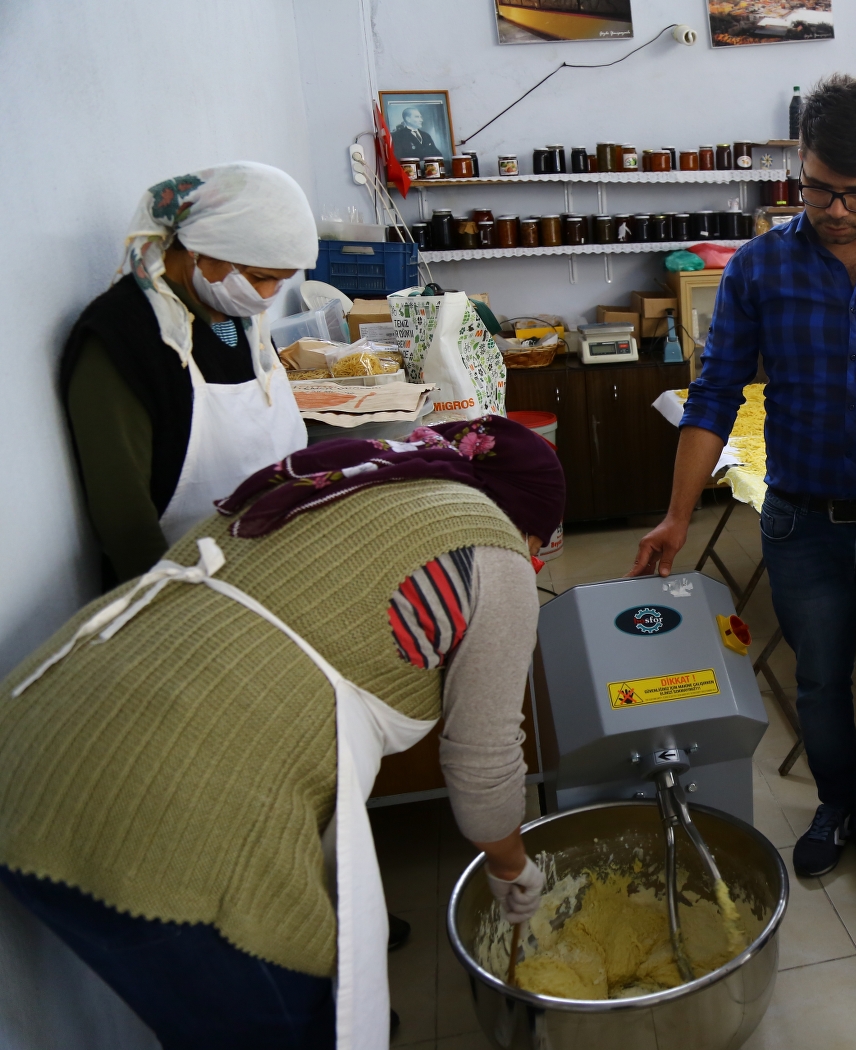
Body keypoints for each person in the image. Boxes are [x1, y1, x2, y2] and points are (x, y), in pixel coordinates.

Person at [0, 415, 566, 1050]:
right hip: (161, 812)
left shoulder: (341, 477)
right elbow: (483, 758)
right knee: (285, 1029)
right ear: (524, 518)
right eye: (539, 540)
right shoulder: (495, 551)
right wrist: (511, 866)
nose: (535, 556)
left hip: (29, 730)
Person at [628, 74, 856, 901]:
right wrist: (678, 514)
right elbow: (714, 392)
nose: (834, 209)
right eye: (818, 188)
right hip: (805, 522)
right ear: (800, 162)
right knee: (821, 680)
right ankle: (834, 806)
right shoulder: (759, 268)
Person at [62, 161, 319, 589]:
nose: (268, 298)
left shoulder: (241, 318)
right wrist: (168, 603)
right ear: (199, 250)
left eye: (281, 282)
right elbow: (124, 518)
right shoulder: (123, 336)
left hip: (271, 567)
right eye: (260, 278)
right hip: (190, 588)